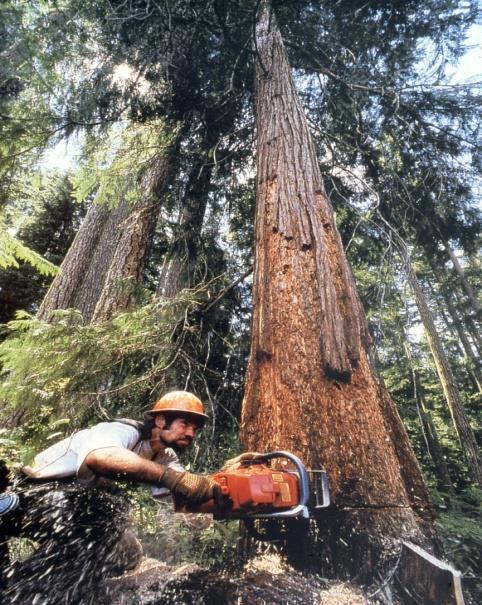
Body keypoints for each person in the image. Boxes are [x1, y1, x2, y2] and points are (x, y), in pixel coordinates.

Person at [0, 391, 224, 604]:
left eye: (195, 428)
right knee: (111, 513)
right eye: (184, 424)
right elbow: (100, 458)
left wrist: (230, 480)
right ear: (160, 421)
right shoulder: (121, 430)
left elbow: (187, 490)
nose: (190, 433)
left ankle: (57, 588)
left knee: (128, 553)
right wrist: (168, 477)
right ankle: (25, 592)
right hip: (31, 499)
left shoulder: (166, 457)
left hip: (70, 507)